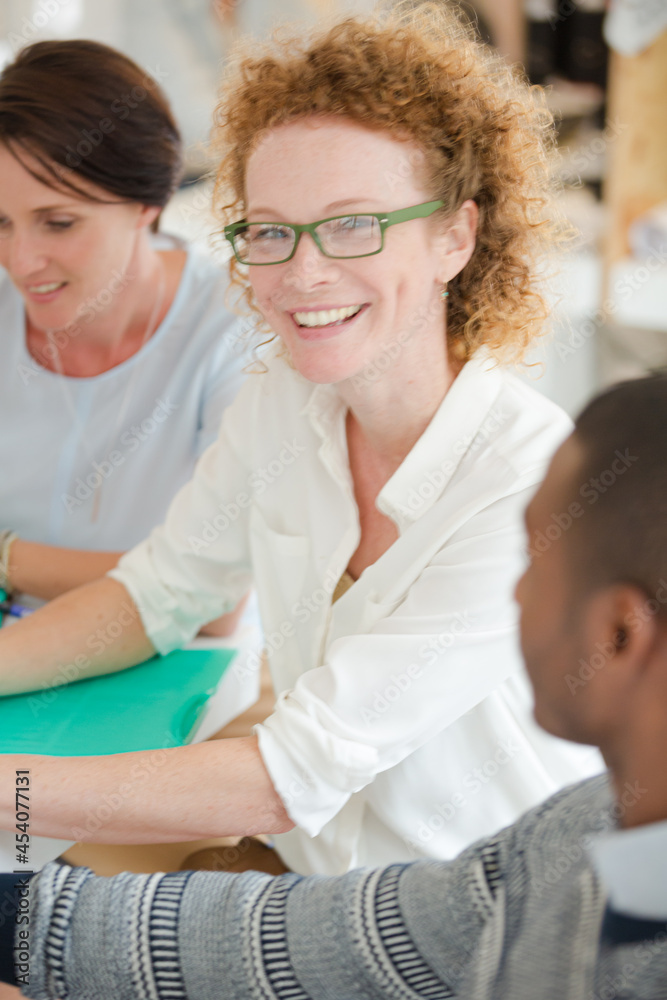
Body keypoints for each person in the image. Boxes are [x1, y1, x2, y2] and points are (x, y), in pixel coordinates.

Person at [0, 4, 602, 876]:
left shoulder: (523, 482)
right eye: (273, 232)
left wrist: (11, 785)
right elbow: (156, 594)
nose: (302, 273)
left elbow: (290, 774)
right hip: (303, 870)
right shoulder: (286, 399)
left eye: (353, 224)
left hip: (465, 922)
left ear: (454, 236)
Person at [1, 372, 665, 999]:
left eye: (537, 563)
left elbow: (286, 789)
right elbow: (333, 939)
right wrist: (20, 923)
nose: (514, 591)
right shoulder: (566, 841)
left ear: (617, 634)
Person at [0, 39, 249, 615]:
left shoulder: (232, 330)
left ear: (147, 201)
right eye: (1, 222)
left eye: (58, 223)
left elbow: (216, 597)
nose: (20, 261)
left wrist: (7, 559)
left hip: (169, 674)